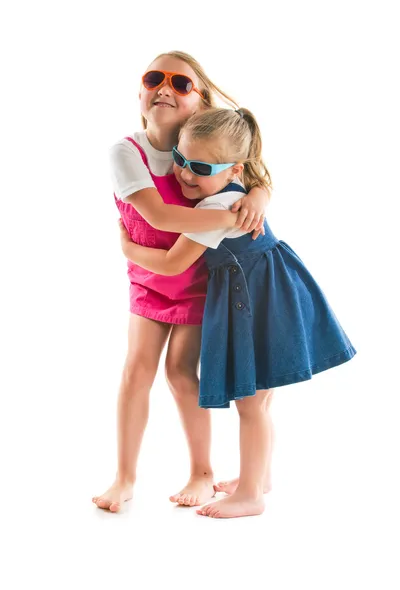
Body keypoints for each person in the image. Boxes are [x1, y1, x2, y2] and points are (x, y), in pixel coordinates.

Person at [118, 106, 356, 518]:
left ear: (233, 170)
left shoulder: (217, 210)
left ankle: (250, 496)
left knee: (251, 403)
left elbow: (174, 263)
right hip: (268, 294)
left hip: (264, 302)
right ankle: (259, 477)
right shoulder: (230, 190)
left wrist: (128, 249)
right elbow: (257, 184)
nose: (185, 174)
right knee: (260, 402)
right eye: (180, 159)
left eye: (200, 166)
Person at [92, 52, 270, 513]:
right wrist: (230, 212)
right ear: (140, 94)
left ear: (201, 102)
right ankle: (125, 476)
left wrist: (258, 193)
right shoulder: (126, 152)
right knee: (136, 372)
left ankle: (202, 471)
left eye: (181, 82)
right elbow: (156, 213)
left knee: (180, 374)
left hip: (196, 282)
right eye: (155, 77)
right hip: (150, 280)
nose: (165, 87)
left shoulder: (214, 150)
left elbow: (251, 173)